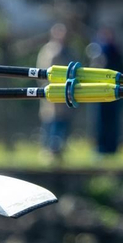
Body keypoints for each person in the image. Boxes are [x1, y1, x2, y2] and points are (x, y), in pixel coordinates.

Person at [37, 22, 75, 160]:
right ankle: (49, 151)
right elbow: (44, 72)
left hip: (66, 94)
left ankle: (59, 150)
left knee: (63, 124)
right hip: (52, 93)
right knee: (51, 122)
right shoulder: (49, 51)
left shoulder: (69, 51)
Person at [87, 23, 123, 156]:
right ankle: (101, 148)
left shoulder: (115, 50)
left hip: (114, 90)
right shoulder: (97, 48)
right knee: (100, 121)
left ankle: (112, 148)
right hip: (98, 90)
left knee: (113, 122)